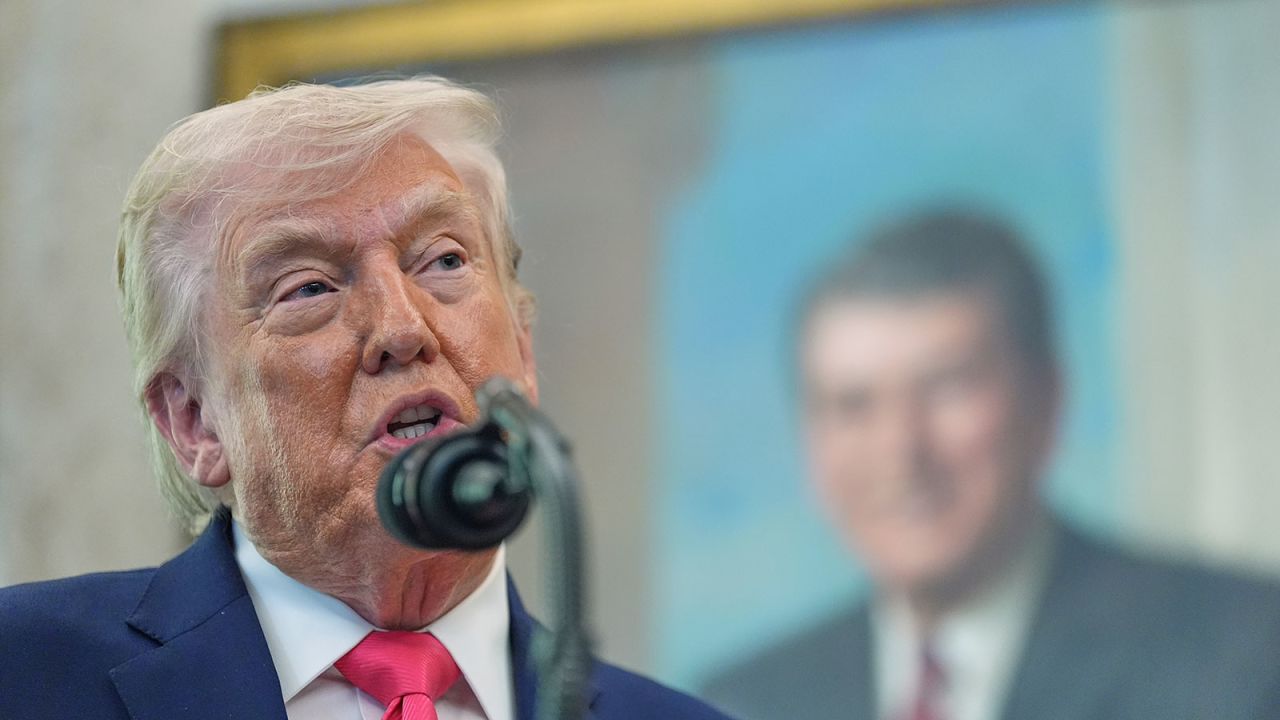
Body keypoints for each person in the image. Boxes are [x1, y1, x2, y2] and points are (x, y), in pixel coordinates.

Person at [0, 77, 729, 720]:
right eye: (310, 287)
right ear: (194, 420)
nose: (403, 327)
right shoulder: (25, 677)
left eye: (444, 260)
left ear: (525, 349)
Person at [702, 210, 1280, 720]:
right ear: (809, 442)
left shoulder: (1243, 659)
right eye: (853, 406)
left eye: (947, 387)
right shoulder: (744, 703)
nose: (900, 452)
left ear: (1046, 401)